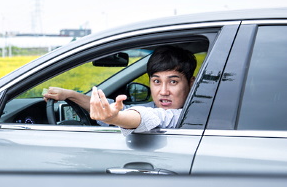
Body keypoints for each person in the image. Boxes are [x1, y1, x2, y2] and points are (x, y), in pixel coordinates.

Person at [43, 45, 197, 135]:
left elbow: (149, 117)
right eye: (157, 81)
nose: (163, 91)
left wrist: (114, 119)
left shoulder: (194, 116)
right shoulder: (154, 106)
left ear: (191, 83)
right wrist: (70, 95)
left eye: (173, 82)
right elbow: (126, 110)